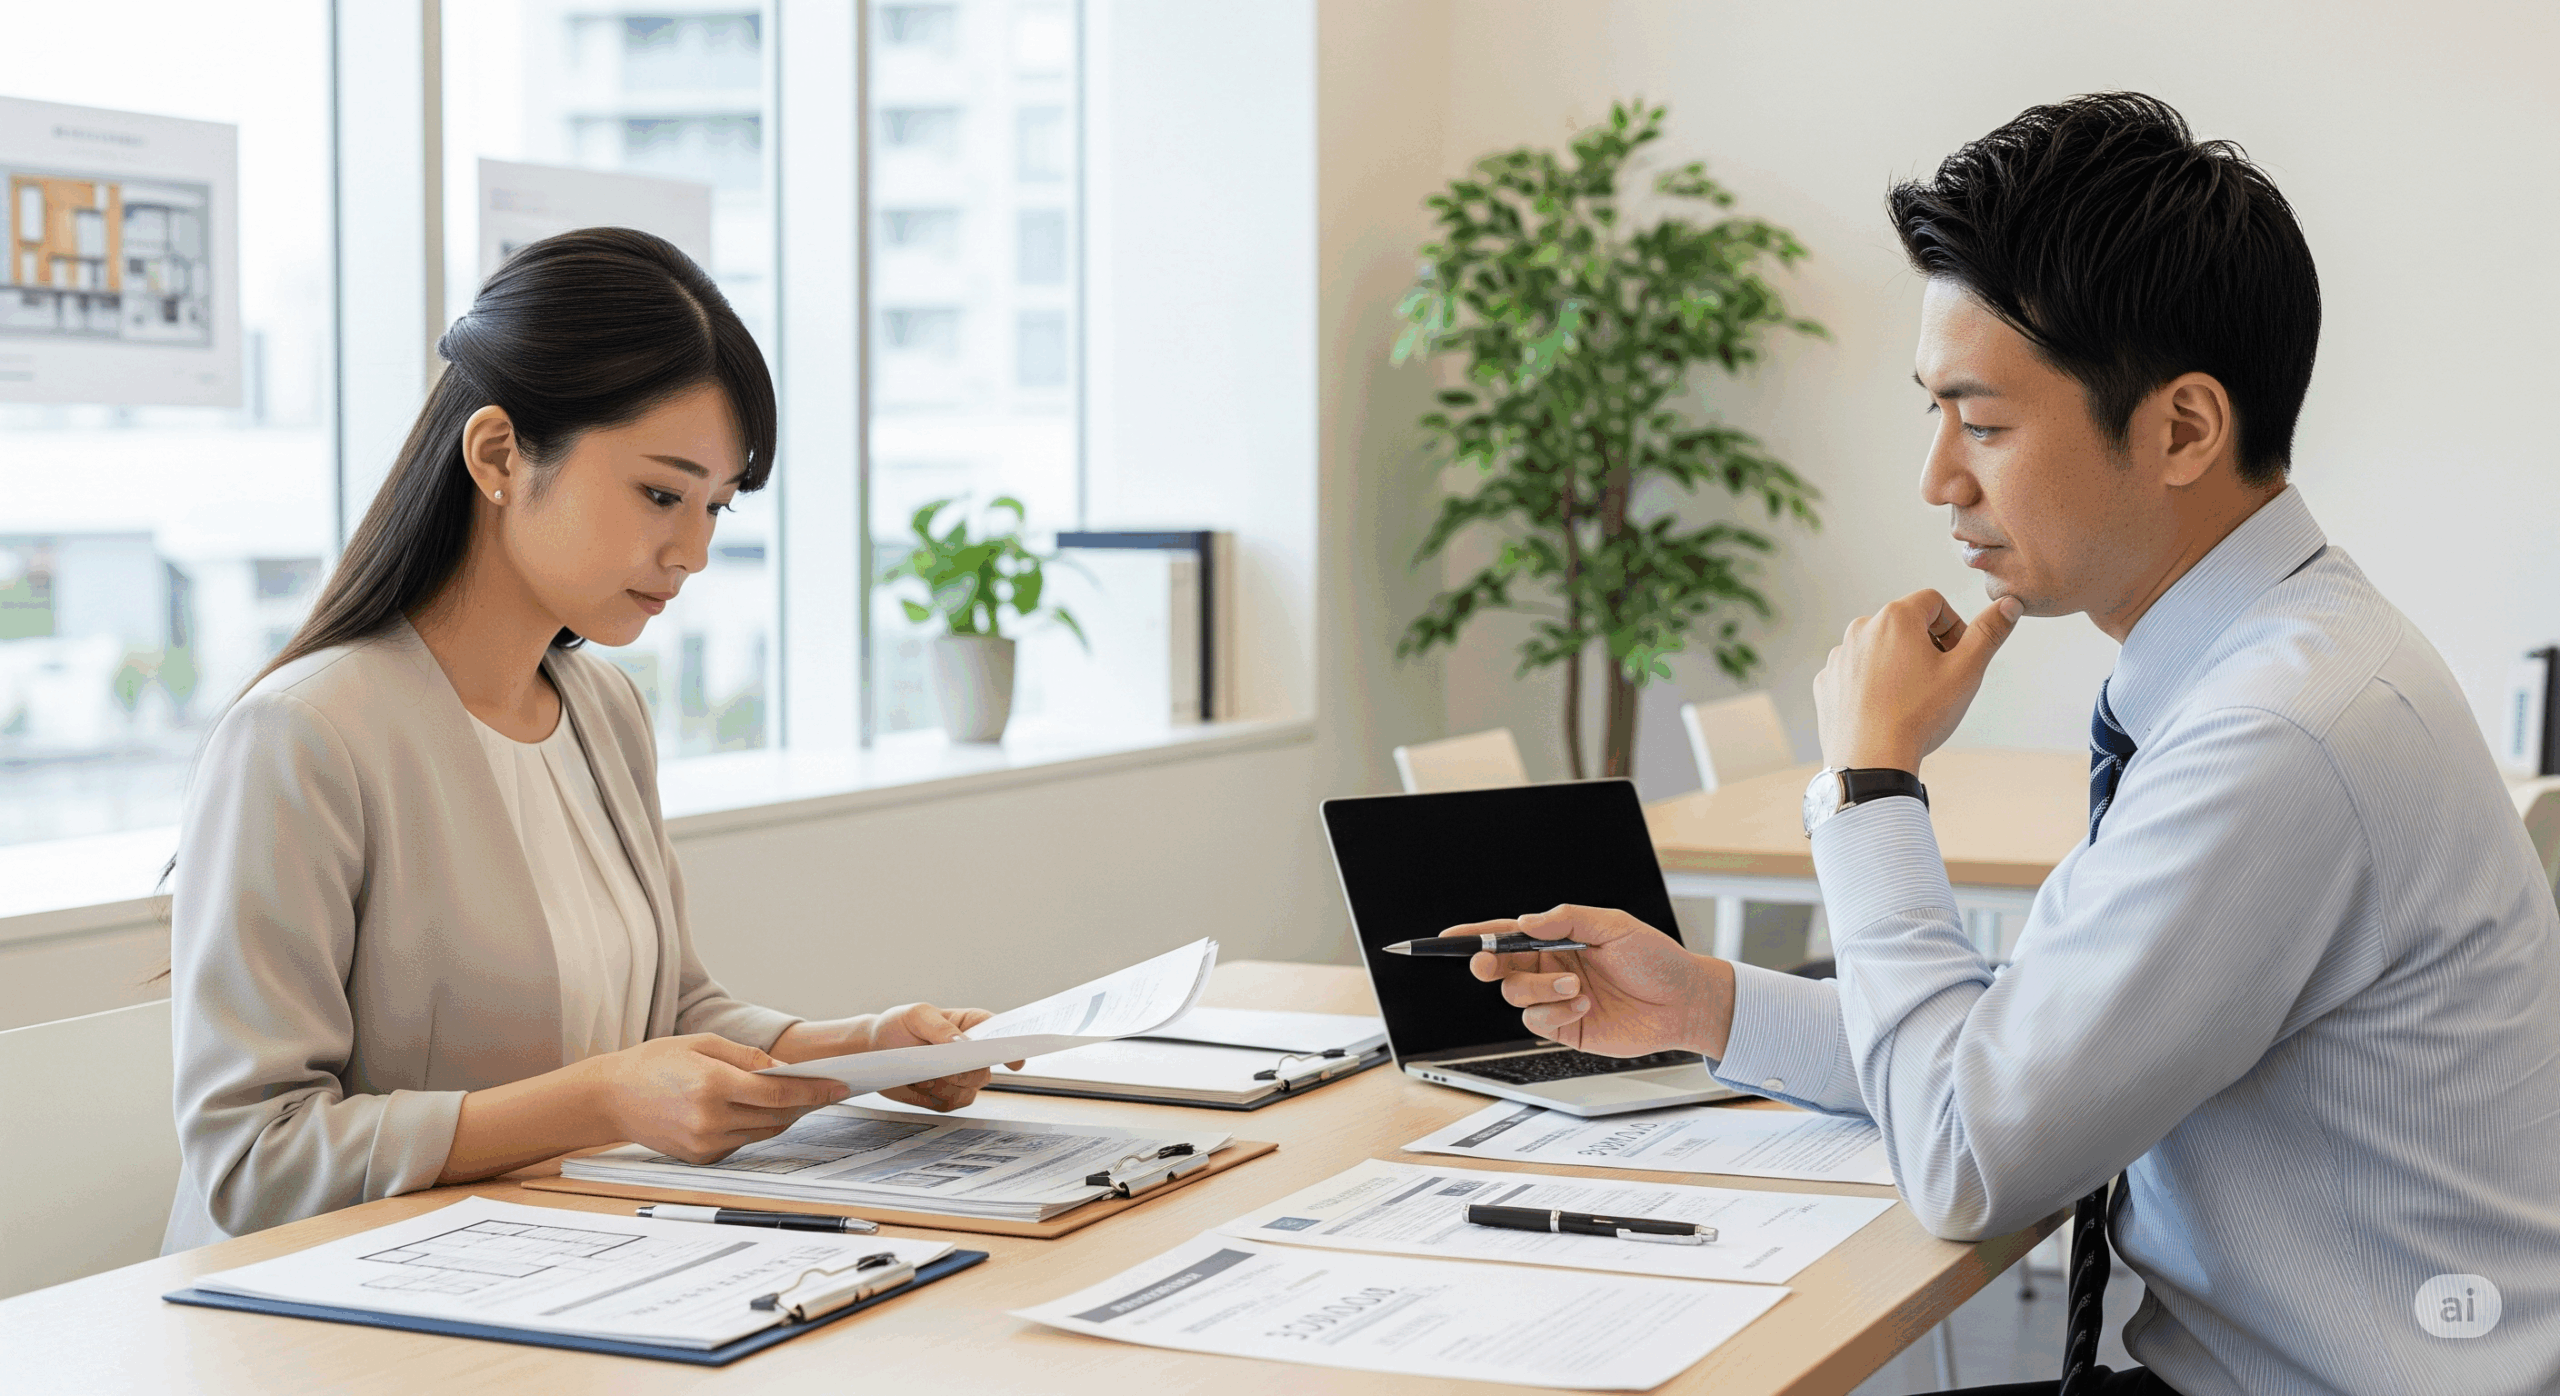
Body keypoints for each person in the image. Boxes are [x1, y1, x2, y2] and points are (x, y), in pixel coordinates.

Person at [1453, 94, 2560, 1396]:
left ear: (2183, 430)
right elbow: (2022, 1057)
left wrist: (1871, 784)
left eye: (1981, 422)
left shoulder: (2279, 735)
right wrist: (1704, 1005)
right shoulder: (2276, 658)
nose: (1938, 479)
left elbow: (1970, 1157)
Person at [164, 228, 1007, 1253]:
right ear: (498, 454)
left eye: (715, 506)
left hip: (565, 1266)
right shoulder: (304, 737)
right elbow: (253, 1159)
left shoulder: (603, 709)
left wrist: (859, 1049)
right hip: (338, 1316)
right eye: (661, 492)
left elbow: (668, 1009)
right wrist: (603, 1102)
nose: (692, 551)